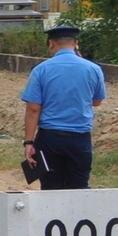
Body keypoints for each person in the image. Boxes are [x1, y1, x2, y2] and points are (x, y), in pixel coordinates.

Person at [22, 23, 106, 190]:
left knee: (50, 188)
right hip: (80, 139)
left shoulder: (40, 70)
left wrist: (28, 142)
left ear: (51, 43)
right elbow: (97, 101)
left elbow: (33, 109)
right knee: (79, 187)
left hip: (49, 139)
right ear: (76, 43)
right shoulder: (94, 69)